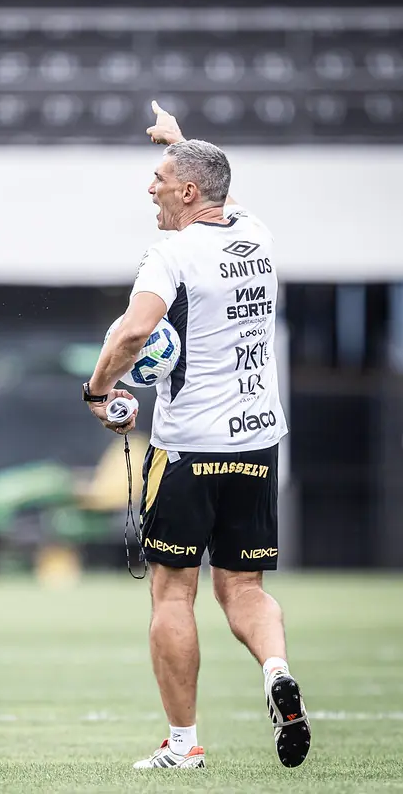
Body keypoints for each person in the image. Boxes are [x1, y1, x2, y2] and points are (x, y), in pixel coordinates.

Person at [82, 101, 311, 770]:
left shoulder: (171, 255)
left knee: (173, 592)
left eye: (160, 178)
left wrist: (97, 389)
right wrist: (182, 143)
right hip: (258, 441)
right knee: (245, 588)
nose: (149, 187)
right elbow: (221, 191)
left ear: (187, 191)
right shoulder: (257, 235)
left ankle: (183, 745)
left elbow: (132, 332)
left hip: (188, 448)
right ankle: (276, 670)